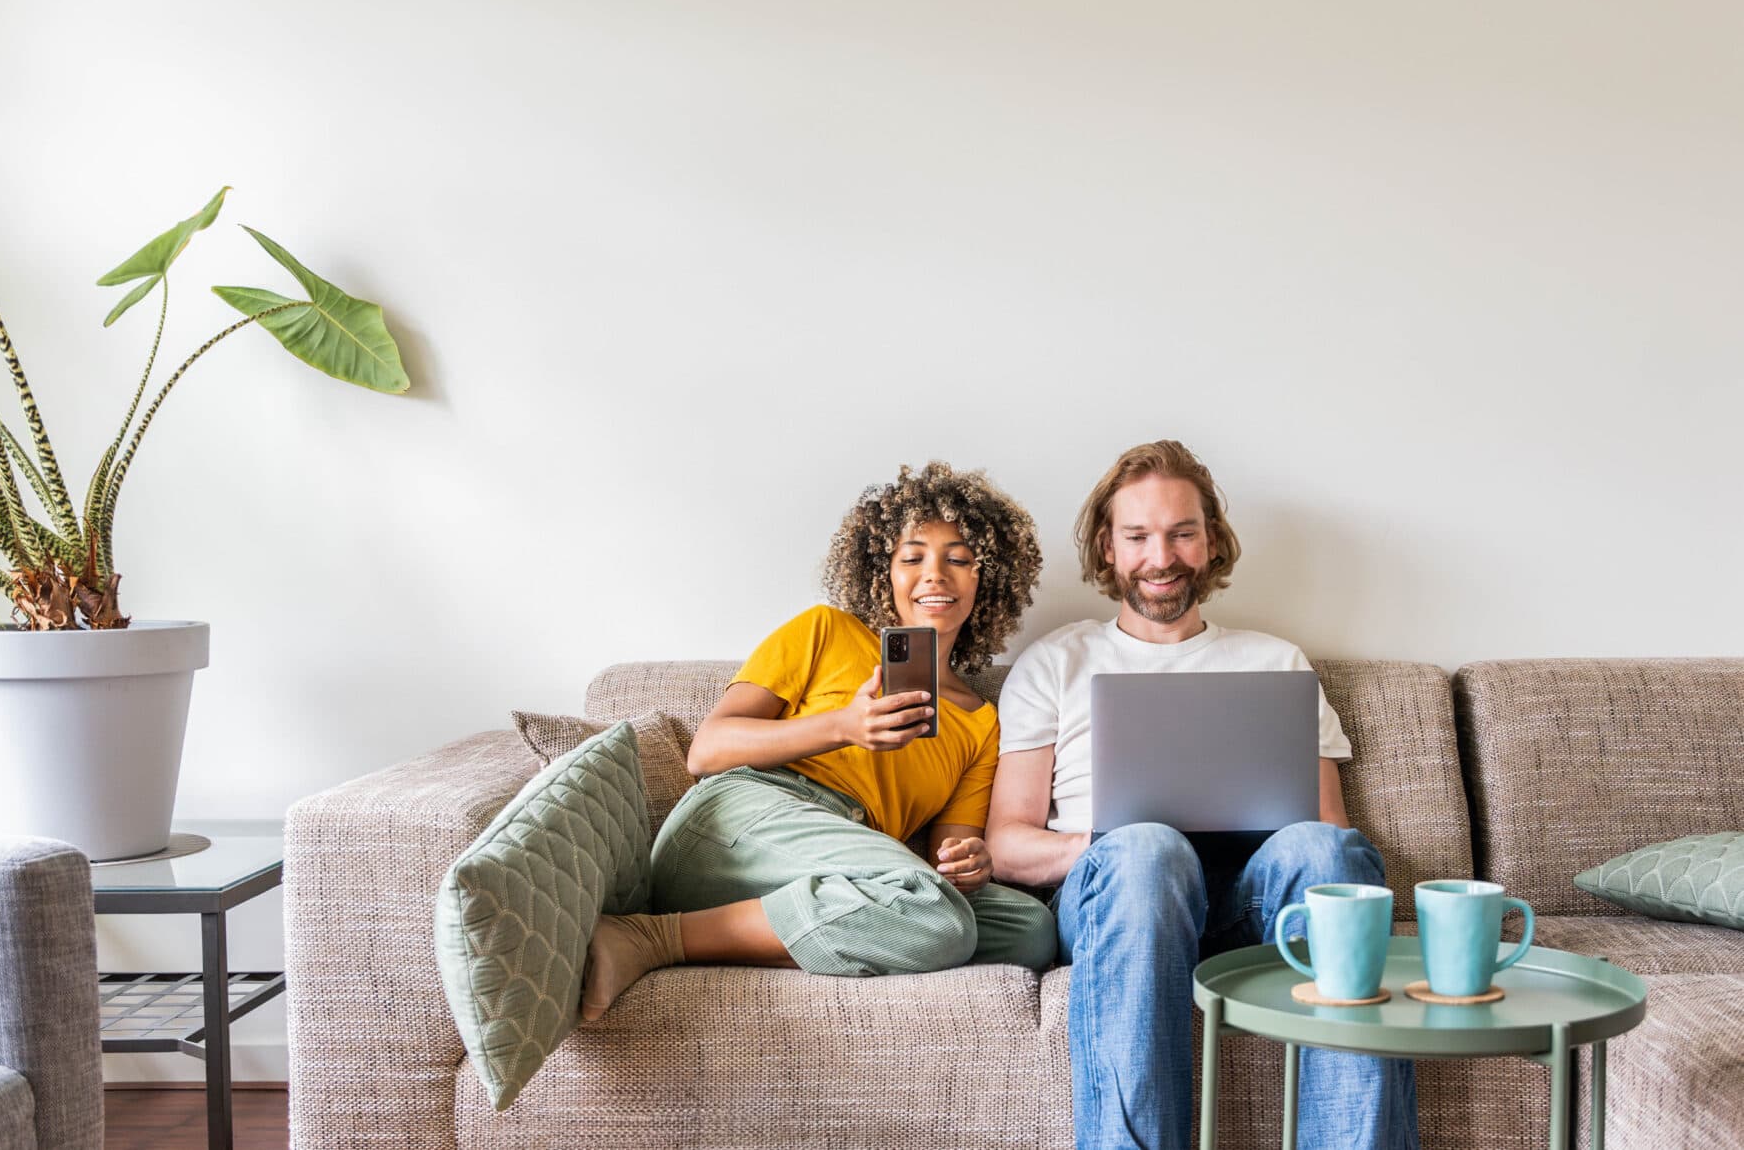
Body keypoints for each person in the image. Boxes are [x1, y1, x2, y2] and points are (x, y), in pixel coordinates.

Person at [985, 440, 1419, 1150]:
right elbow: (1006, 843)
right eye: (1139, 536)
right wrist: (1108, 844)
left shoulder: (1276, 663)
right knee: (1151, 849)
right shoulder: (1057, 663)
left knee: (1324, 848)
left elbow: (1330, 842)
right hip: (1122, 896)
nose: (1163, 556)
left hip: (1248, 899)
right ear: (1108, 546)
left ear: (1210, 540)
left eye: (1183, 532)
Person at [580, 461, 1058, 1023]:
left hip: (843, 864)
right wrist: (843, 726)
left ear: (988, 578)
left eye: (959, 558)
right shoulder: (825, 630)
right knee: (936, 914)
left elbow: (943, 860)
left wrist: (969, 862)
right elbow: (706, 750)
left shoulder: (982, 724)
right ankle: (650, 939)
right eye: (913, 558)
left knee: (1029, 930)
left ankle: (785, 928)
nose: (935, 575)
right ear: (883, 572)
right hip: (742, 820)